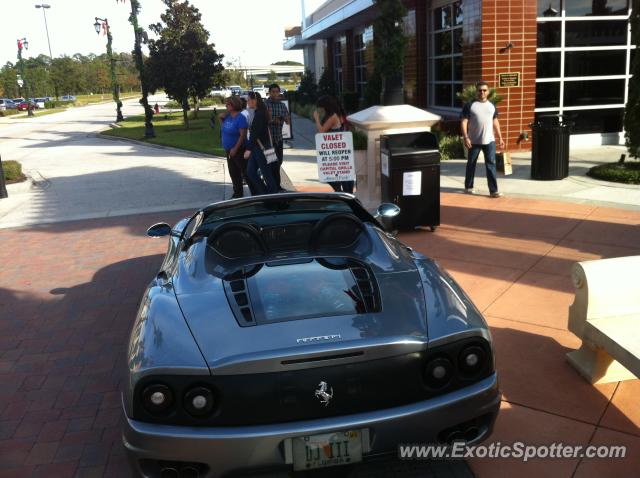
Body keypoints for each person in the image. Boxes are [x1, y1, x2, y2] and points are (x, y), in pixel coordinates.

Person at [460, 81, 505, 198]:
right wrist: (466, 137)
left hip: (489, 140)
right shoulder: (470, 105)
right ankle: (469, 187)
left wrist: (500, 137)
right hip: (474, 141)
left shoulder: (492, 105)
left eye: (484, 90)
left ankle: (493, 191)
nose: (482, 92)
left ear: (488, 92)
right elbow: (464, 121)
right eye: (480, 90)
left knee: (491, 165)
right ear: (476, 91)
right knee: (471, 164)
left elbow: (495, 121)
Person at [312, 95, 354, 194]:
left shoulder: (333, 116)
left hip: (336, 150)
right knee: (335, 173)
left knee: (334, 174)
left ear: (326, 106)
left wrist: (317, 119)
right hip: (335, 149)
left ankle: (341, 191)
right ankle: (342, 191)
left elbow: (322, 131)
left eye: (321, 108)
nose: (320, 110)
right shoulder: (336, 114)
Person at [244, 91, 278, 195]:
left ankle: (272, 196)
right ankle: (264, 193)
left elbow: (255, 133)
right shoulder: (259, 112)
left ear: (254, 100)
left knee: (266, 173)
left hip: (261, 148)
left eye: (249, 100)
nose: (247, 102)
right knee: (251, 172)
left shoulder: (259, 114)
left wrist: (248, 149)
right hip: (259, 147)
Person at [220, 96, 250, 199]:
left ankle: (256, 193)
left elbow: (243, 135)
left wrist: (235, 148)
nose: (226, 105)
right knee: (233, 173)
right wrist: (221, 120)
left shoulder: (240, 117)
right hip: (228, 150)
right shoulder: (228, 117)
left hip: (238, 149)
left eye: (228, 104)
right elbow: (224, 130)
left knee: (245, 172)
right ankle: (237, 194)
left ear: (234, 105)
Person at [265, 83, 290, 191]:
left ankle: (276, 186)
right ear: (269, 92)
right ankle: (273, 186)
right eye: (273, 92)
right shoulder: (265, 104)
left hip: (278, 139)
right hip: (268, 141)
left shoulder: (282, 105)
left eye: (277, 92)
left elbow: (288, 122)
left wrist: (285, 118)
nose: (275, 94)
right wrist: (272, 121)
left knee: (279, 162)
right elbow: (262, 122)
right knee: (271, 163)